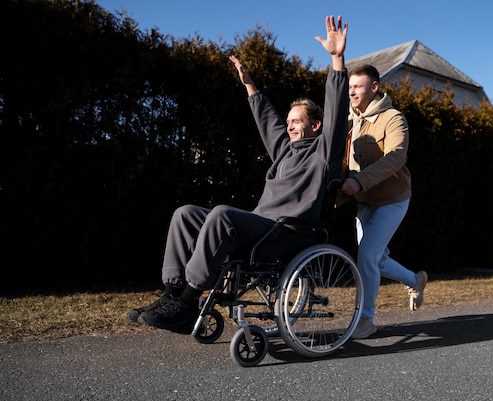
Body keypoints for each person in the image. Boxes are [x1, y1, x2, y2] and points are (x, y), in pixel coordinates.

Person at [127, 15, 350, 330]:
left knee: (222, 215)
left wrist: (337, 60)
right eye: (289, 121)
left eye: (296, 121)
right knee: (185, 213)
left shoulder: (323, 154)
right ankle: (172, 295)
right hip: (261, 229)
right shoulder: (285, 151)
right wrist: (249, 84)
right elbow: (268, 121)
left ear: (315, 126)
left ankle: (189, 302)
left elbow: (337, 114)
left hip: (287, 234)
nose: (289, 125)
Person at [340, 64, 427, 339]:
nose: (351, 91)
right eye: (350, 86)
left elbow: (396, 157)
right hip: (364, 200)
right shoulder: (349, 120)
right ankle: (415, 280)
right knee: (374, 258)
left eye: (357, 86)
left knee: (367, 255)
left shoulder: (393, 118)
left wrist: (361, 180)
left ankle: (365, 319)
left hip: (393, 199)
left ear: (374, 88)